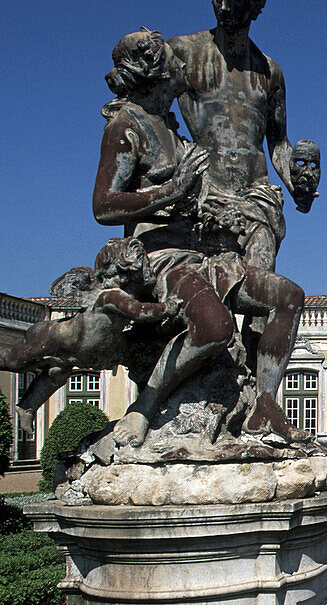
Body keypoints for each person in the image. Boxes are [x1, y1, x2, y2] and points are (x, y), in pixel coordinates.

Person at [93, 28, 306, 446]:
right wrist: (172, 191)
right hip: (163, 256)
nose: (185, 66)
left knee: (288, 297)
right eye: (176, 63)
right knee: (215, 327)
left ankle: (263, 407)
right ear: (158, 73)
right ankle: (145, 406)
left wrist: (214, 210)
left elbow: (191, 197)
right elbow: (103, 206)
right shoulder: (124, 127)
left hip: (207, 252)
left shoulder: (171, 130)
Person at [168, 0, 310, 272]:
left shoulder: (270, 71)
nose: (223, 6)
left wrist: (297, 184)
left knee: (262, 290)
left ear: (253, 4)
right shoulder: (183, 52)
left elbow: (279, 146)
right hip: (204, 191)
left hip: (257, 196)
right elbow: (150, 115)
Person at [0, 238, 178, 434]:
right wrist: (167, 308)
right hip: (53, 338)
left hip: (82, 351)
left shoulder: (119, 295)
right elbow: (139, 312)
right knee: (12, 360)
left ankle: (27, 407)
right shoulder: (110, 296)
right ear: (121, 270)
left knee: (55, 376)